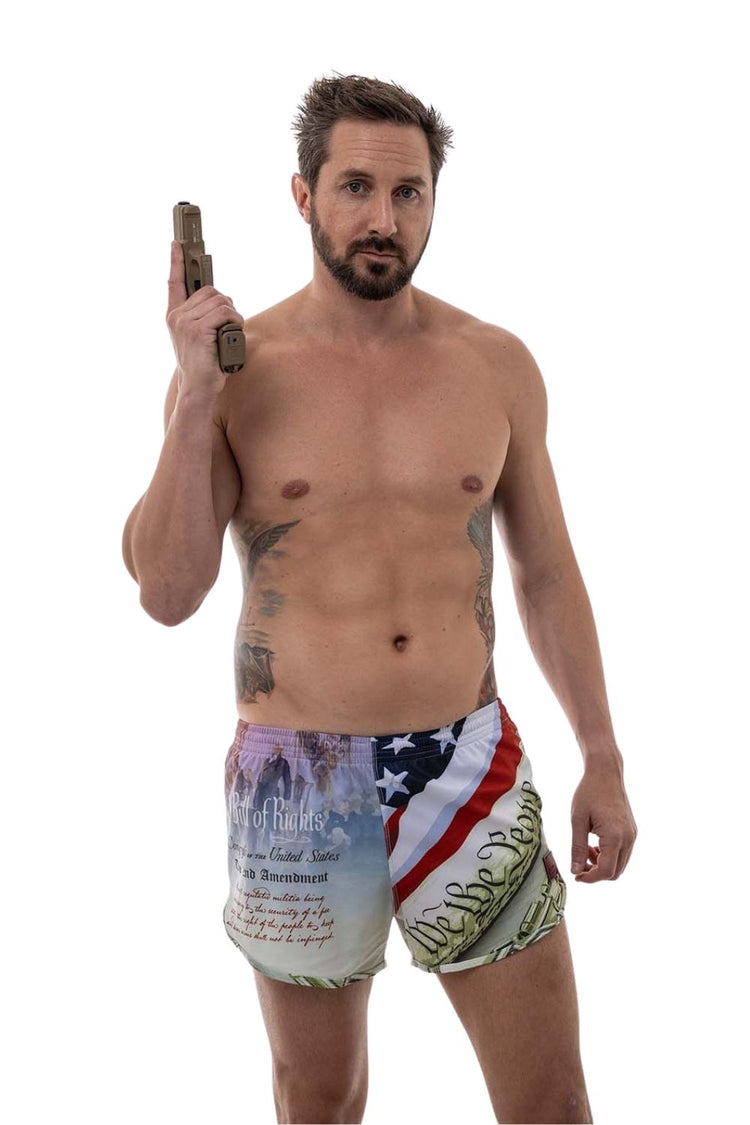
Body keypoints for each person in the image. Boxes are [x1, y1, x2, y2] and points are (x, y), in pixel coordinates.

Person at [122, 73, 637, 1125]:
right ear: (302, 195)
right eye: (355, 187)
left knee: (551, 1099)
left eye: (409, 193)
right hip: (297, 781)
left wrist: (604, 756)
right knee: (321, 1099)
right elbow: (167, 591)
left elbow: (546, 572)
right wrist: (194, 401)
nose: (383, 220)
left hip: (467, 764)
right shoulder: (238, 371)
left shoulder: (494, 364)